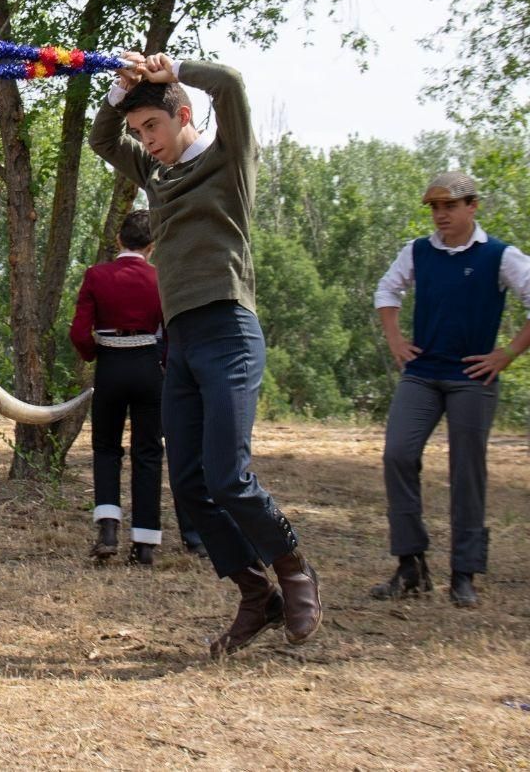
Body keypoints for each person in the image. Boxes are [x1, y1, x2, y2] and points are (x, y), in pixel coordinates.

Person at [89, 51, 322, 657]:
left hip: (229, 331)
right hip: (181, 342)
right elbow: (99, 138)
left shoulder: (227, 159)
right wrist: (121, 93)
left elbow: (235, 85)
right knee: (190, 486)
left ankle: (294, 571)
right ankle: (255, 594)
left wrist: (172, 69)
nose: (148, 141)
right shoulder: (157, 178)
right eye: (140, 133)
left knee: (229, 476)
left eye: (154, 128)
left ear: (183, 113)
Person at [370, 171, 530, 608]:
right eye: (434, 207)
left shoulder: (500, 256)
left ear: (472, 206)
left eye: (450, 205)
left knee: (467, 470)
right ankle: (410, 565)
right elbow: (387, 290)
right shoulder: (418, 252)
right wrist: (396, 340)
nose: (440, 214)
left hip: (473, 380)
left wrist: (508, 354)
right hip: (422, 374)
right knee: (398, 454)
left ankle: (464, 574)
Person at [69, 210, 203, 564]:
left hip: (111, 366)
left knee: (106, 449)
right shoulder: (161, 278)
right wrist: (164, 364)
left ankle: (109, 528)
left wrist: (93, 352)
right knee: (148, 452)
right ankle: (144, 544)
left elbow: (79, 333)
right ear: (152, 245)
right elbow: (173, 332)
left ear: (118, 240)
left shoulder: (96, 276)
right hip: (148, 368)